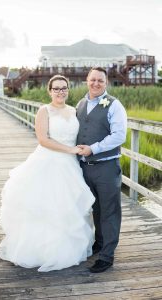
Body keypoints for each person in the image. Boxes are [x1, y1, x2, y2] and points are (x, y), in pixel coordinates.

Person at [0, 75, 95, 272]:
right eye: (56, 88)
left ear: (68, 90)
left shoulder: (74, 111)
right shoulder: (44, 110)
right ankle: (39, 251)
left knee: (66, 206)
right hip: (48, 161)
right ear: (49, 91)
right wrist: (70, 150)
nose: (60, 92)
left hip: (70, 166)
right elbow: (42, 139)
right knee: (46, 205)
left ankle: (66, 249)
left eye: (64, 88)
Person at [76, 67, 127, 273]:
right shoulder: (80, 104)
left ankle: (107, 256)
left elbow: (119, 135)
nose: (96, 83)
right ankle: (99, 242)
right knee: (95, 209)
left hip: (106, 166)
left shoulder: (115, 105)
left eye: (100, 81)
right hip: (84, 168)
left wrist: (93, 149)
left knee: (110, 212)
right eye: (93, 80)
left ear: (106, 84)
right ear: (87, 81)